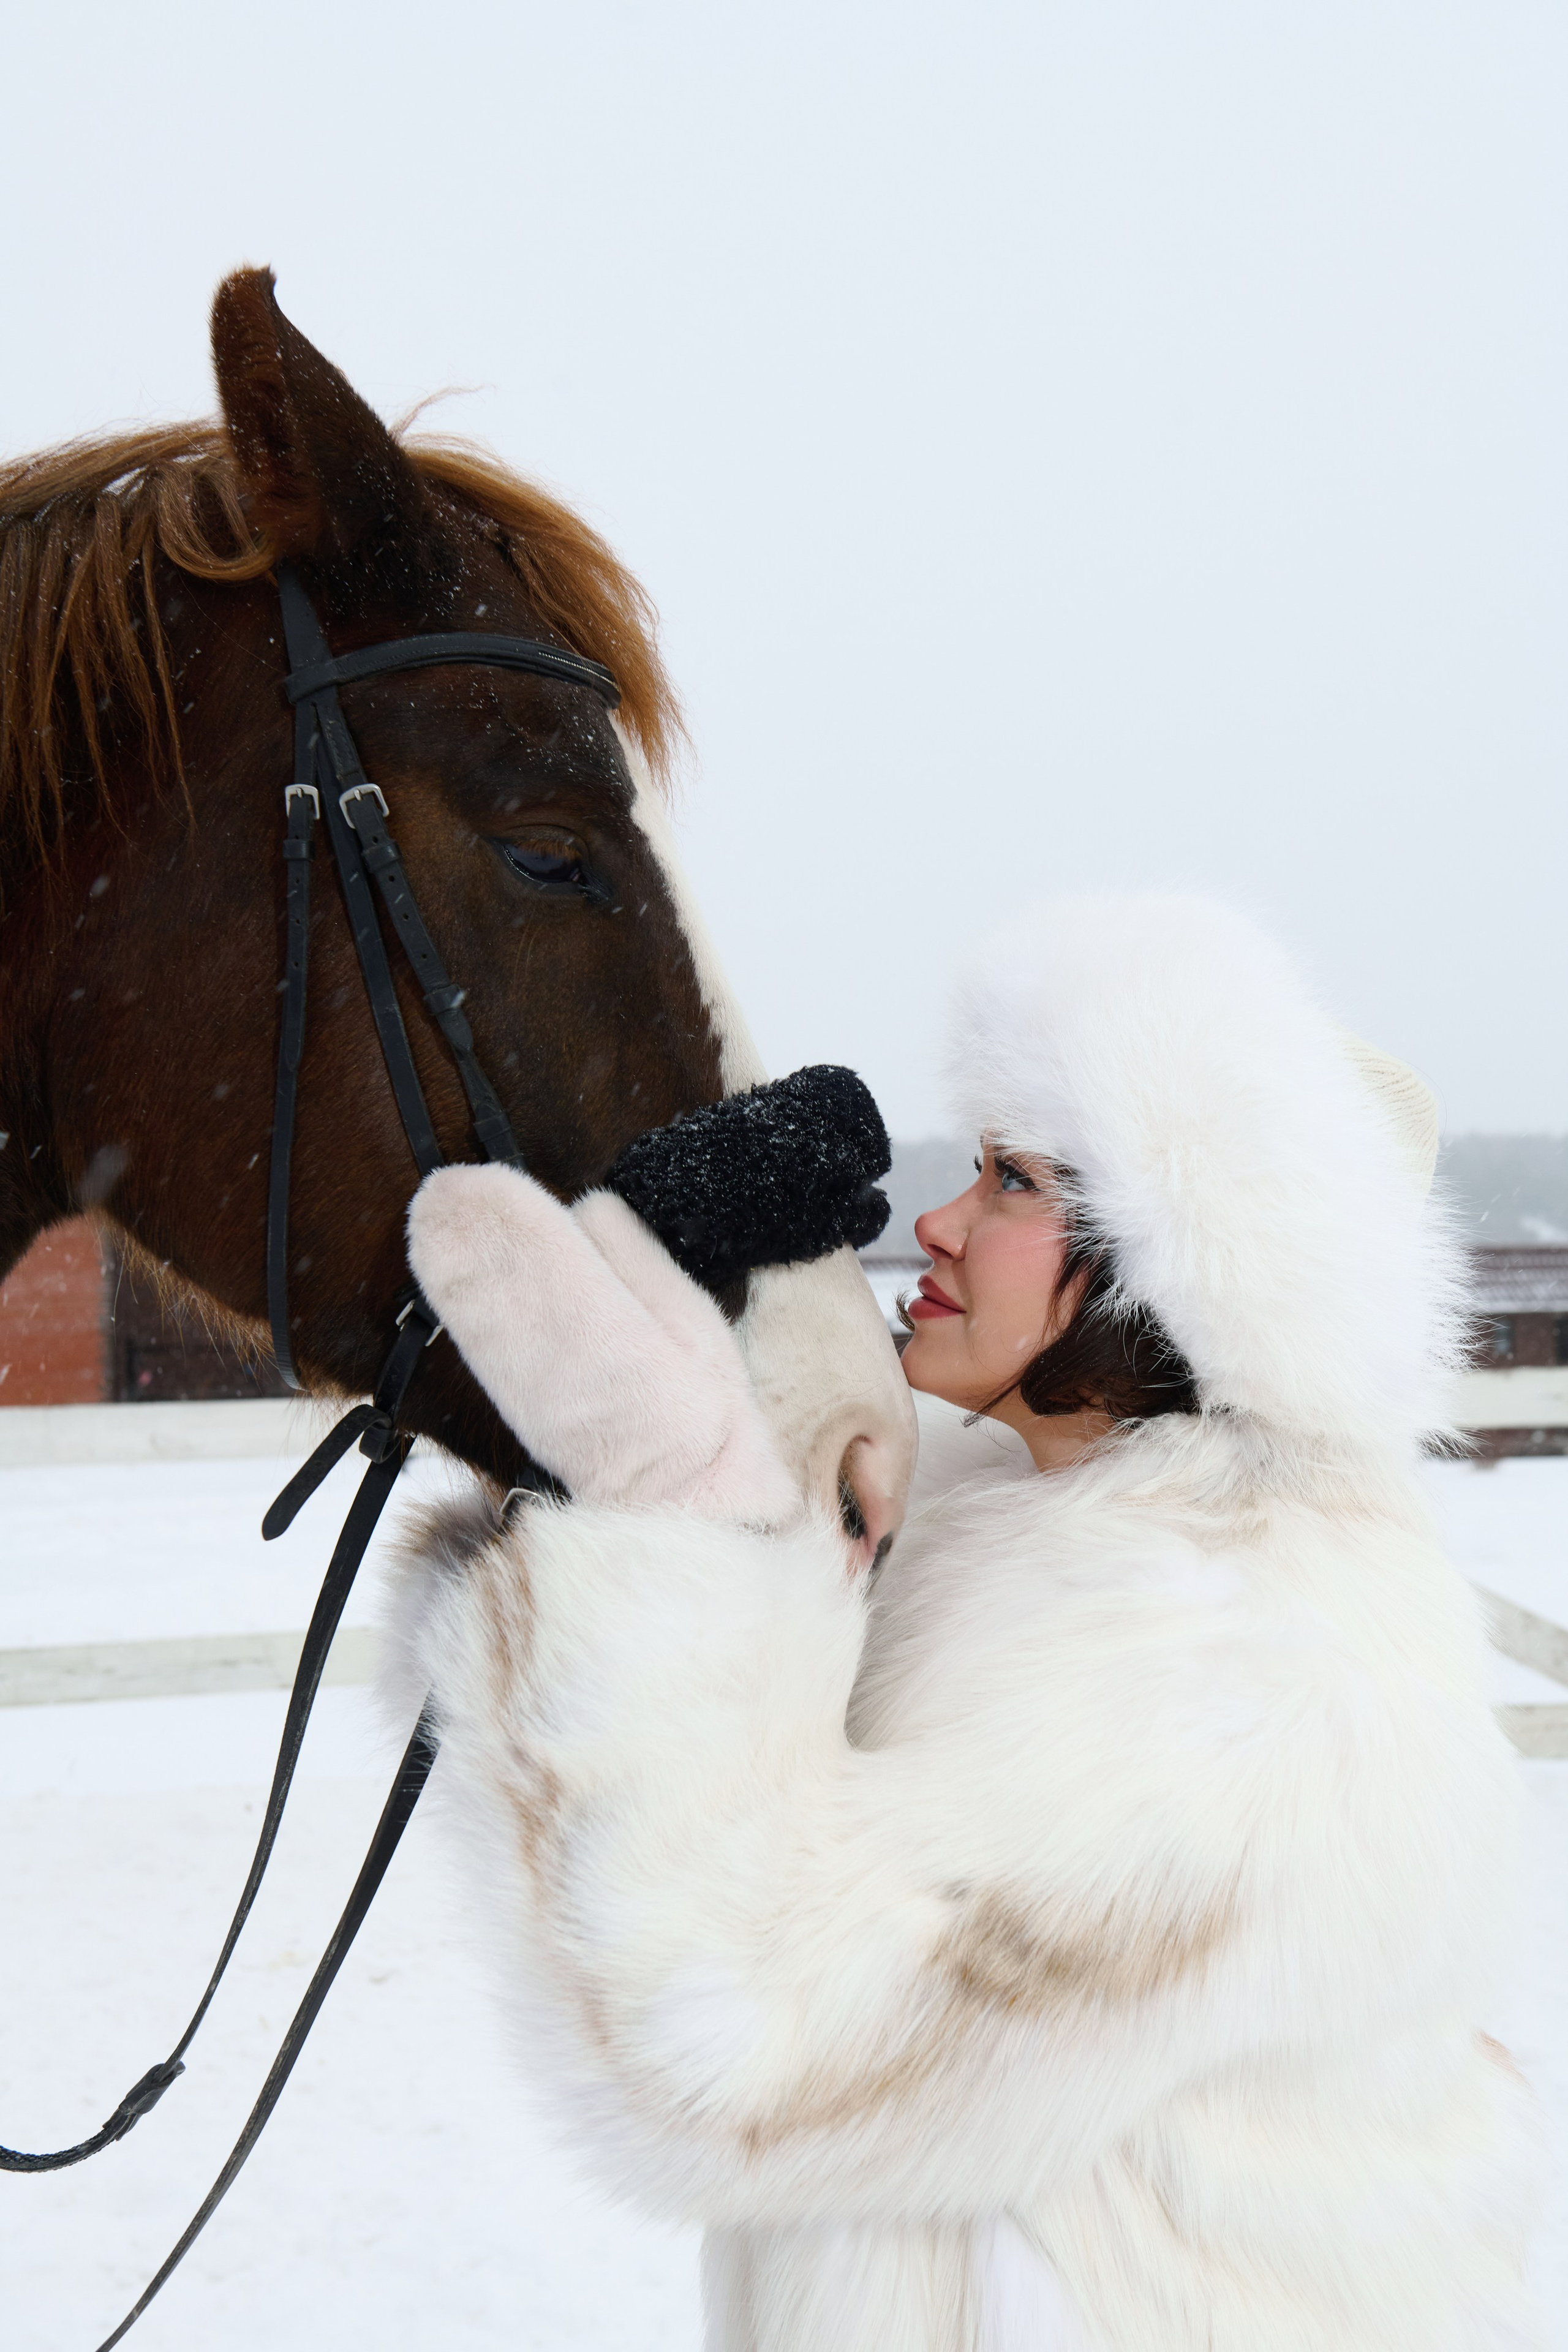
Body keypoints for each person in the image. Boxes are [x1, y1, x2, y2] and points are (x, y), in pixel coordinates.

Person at [387, 893, 1539, 2351]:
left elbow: (738, 2035)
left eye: (1009, 1180)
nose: (933, 1220)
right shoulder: (1017, 1527)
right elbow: (729, 1688)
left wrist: (653, 1473)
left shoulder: (1256, 1673)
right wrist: (694, 1301)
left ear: (1183, 1264)